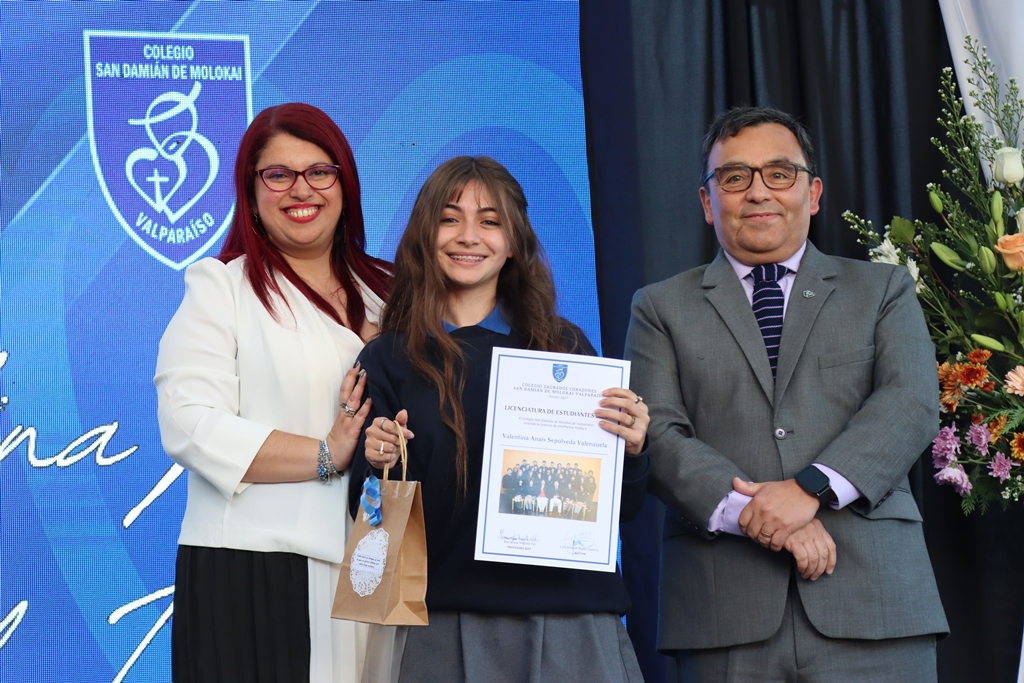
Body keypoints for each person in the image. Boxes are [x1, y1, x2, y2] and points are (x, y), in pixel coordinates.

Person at [624, 107, 949, 682]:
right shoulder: (659, 307)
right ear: (707, 202)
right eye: (734, 177)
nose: (758, 192)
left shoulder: (883, 289)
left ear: (812, 193)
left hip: (874, 601)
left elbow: (911, 402)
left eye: (779, 173)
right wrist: (761, 514)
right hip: (724, 611)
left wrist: (810, 490)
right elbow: (659, 434)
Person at [348, 156, 650, 682]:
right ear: (424, 235)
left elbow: (623, 508)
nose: (469, 236)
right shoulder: (387, 359)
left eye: (489, 221)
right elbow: (369, 527)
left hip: (575, 623)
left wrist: (633, 448)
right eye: (449, 218)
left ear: (513, 242)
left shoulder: (565, 348)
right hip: (446, 625)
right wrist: (378, 466)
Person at [155, 102, 391, 683]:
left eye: (320, 171)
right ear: (252, 191)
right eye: (278, 174)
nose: (301, 189)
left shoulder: (392, 291)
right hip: (253, 570)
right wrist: (325, 454)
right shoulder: (222, 287)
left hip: (375, 564)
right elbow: (188, 422)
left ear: (345, 185)